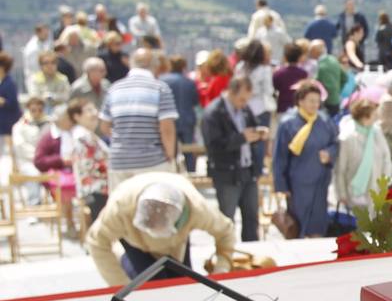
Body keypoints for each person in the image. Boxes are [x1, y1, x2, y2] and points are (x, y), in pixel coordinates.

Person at [87, 172, 235, 285]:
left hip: (176, 245)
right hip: (135, 242)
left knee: (183, 287)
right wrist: (121, 285)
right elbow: (97, 242)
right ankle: (125, 260)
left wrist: (220, 271)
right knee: (151, 288)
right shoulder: (121, 207)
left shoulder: (197, 209)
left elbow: (226, 232)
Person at [101, 48, 179, 189]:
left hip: (120, 162)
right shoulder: (160, 88)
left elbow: (104, 126)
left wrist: (124, 139)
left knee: (123, 210)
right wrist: (170, 155)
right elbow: (167, 128)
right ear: (155, 66)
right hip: (152, 162)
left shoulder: (114, 89)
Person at [202, 75, 266, 242]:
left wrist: (258, 133)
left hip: (248, 170)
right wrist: (241, 138)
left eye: (247, 100)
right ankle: (227, 255)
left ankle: (254, 259)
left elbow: (252, 126)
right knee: (227, 220)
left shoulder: (244, 109)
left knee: (252, 218)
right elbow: (214, 145)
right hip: (226, 174)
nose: (244, 104)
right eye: (242, 99)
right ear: (231, 92)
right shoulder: (214, 112)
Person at [272, 80, 338, 237]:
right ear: (300, 101)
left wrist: (330, 153)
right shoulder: (288, 123)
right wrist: (281, 185)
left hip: (320, 180)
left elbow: (335, 143)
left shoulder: (324, 120)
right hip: (297, 183)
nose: (315, 105)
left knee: (318, 223)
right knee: (298, 224)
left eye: (317, 101)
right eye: (311, 101)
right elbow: (279, 156)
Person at [335, 98, 392, 211]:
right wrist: (341, 194)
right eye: (373, 115)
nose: (376, 118)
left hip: (376, 189)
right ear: (364, 117)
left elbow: (386, 158)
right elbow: (340, 169)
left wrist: (386, 181)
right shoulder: (347, 137)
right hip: (354, 192)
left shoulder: (376, 131)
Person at [33, 98, 78, 235]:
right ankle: (70, 223)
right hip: (57, 176)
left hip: (77, 171)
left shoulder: (77, 132)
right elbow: (39, 161)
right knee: (64, 190)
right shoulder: (48, 136)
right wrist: (61, 161)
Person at [235, 40, 276, 171]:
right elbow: (268, 90)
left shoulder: (240, 67)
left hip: (243, 106)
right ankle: (257, 169)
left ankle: (244, 165)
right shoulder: (265, 70)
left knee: (245, 137)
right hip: (261, 107)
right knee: (260, 139)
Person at [70, 97, 110, 223]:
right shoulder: (82, 137)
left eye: (94, 109)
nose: (94, 113)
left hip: (99, 189)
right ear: (77, 116)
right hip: (96, 190)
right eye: (89, 110)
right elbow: (90, 166)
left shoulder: (89, 136)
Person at [161, 55, 201, 172]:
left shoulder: (162, 81)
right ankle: (191, 175)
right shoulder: (189, 82)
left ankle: (171, 173)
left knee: (169, 150)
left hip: (169, 120)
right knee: (189, 150)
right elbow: (195, 101)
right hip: (187, 119)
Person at [273, 41, 309, 115]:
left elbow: (273, 89)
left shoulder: (279, 73)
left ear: (285, 57)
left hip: (282, 107)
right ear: (299, 57)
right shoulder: (303, 73)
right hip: (298, 108)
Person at [314, 39, 348, 117]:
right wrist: (337, 90)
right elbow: (345, 78)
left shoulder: (318, 65)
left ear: (316, 52)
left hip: (324, 103)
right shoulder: (333, 59)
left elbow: (314, 82)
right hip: (335, 99)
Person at [22, 24, 53, 90]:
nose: (47, 35)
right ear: (38, 33)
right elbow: (35, 68)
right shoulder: (33, 49)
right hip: (35, 80)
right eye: (45, 33)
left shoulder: (44, 44)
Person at [0, 53, 17, 163]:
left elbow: (12, 102)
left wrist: (2, 101)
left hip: (8, 121)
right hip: (1, 121)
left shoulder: (9, 82)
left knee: (11, 152)